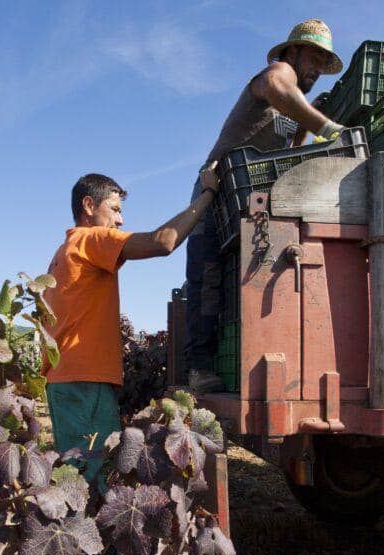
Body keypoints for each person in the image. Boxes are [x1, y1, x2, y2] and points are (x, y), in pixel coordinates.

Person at [184, 19, 346, 393]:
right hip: (217, 190)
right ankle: (198, 368)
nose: (317, 68)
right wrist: (326, 127)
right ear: (293, 51)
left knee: (240, 283)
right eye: (314, 57)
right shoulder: (279, 72)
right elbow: (275, 85)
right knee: (207, 278)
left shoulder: (293, 104)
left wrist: (306, 123)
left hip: (251, 199)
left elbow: (288, 155)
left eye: (324, 63)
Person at [43, 165, 219, 453]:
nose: (120, 219)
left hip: (65, 379)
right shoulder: (90, 239)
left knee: (78, 466)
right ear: (89, 205)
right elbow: (163, 242)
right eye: (114, 209)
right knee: (92, 468)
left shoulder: (63, 251)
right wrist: (207, 194)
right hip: (85, 379)